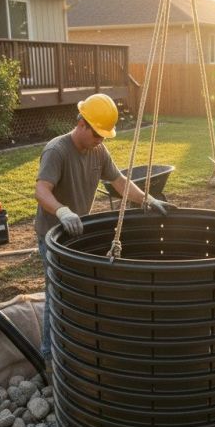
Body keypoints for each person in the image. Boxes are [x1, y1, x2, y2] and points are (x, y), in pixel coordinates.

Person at [34, 93, 172, 376]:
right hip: (54, 234)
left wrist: (146, 199)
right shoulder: (57, 151)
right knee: (57, 293)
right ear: (81, 123)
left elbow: (119, 182)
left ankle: (79, 347)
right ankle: (48, 358)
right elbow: (41, 191)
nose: (101, 140)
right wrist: (62, 212)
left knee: (81, 291)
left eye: (104, 136)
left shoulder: (98, 151)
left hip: (78, 232)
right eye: (97, 134)